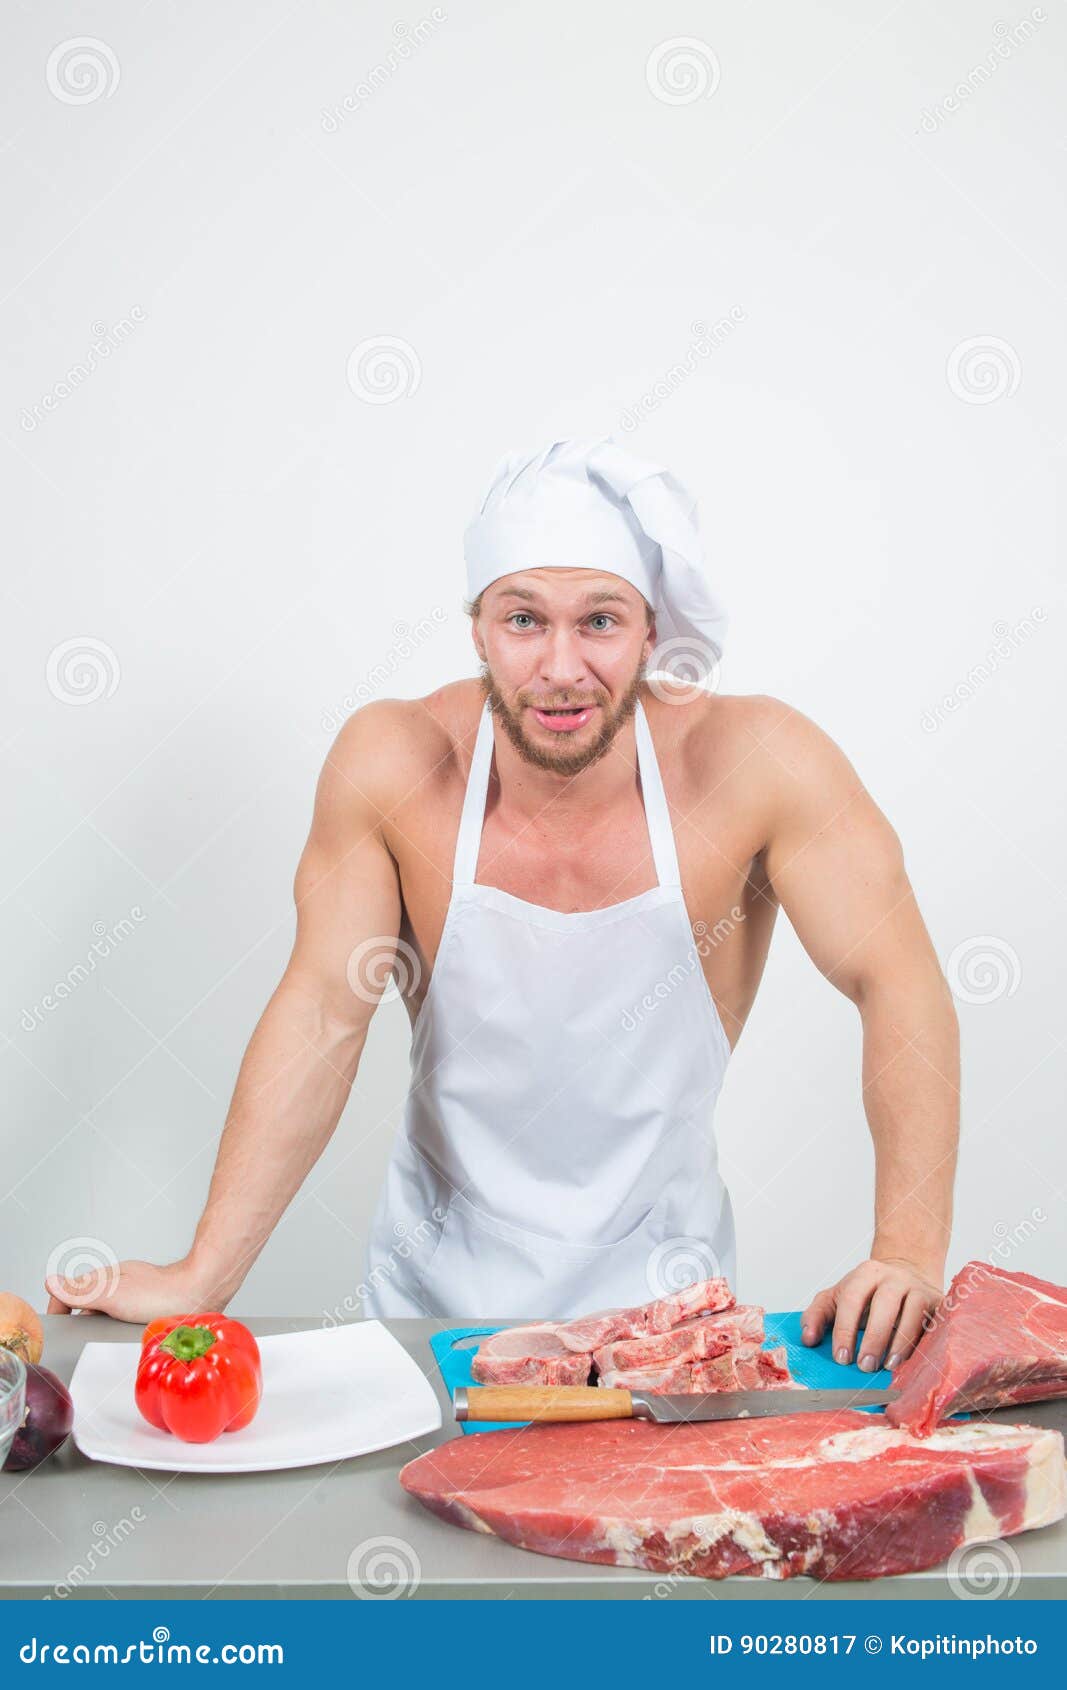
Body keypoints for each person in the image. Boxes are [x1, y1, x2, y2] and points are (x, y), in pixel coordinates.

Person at [46, 437, 958, 1371]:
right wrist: (205, 1274)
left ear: (651, 631)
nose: (561, 668)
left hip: (670, 1335)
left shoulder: (758, 764)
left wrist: (906, 1252)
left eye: (599, 621)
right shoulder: (394, 764)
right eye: (524, 620)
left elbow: (897, 980)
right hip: (431, 1327)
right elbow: (324, 1011)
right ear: (479, 626)